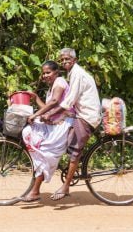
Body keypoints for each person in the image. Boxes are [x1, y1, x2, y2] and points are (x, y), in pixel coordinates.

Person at [40, 47, 101, 201]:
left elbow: (69, 100)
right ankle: (71, 169)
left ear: (74, 60)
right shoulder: (73, 73)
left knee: (74, 151)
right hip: (82, 114)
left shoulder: (77, 74)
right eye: (62, 60)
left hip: (86, 116)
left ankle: (66, 187)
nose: (64, 62)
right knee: (65, 140)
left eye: (67, 59)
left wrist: (50, 113)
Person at [18, 61, 75, 203]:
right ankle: (39, 175)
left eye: (48, 72)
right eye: (43, 73)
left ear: (56, 72)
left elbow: (55, 101)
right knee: (28, 132)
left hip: (64, 124)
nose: (45, 75)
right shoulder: (51, 87)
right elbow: (48, 107)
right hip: (54, 123)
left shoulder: (60, 82)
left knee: (45, 152)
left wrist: (36, 114)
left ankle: (35, 191)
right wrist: (36, 98)